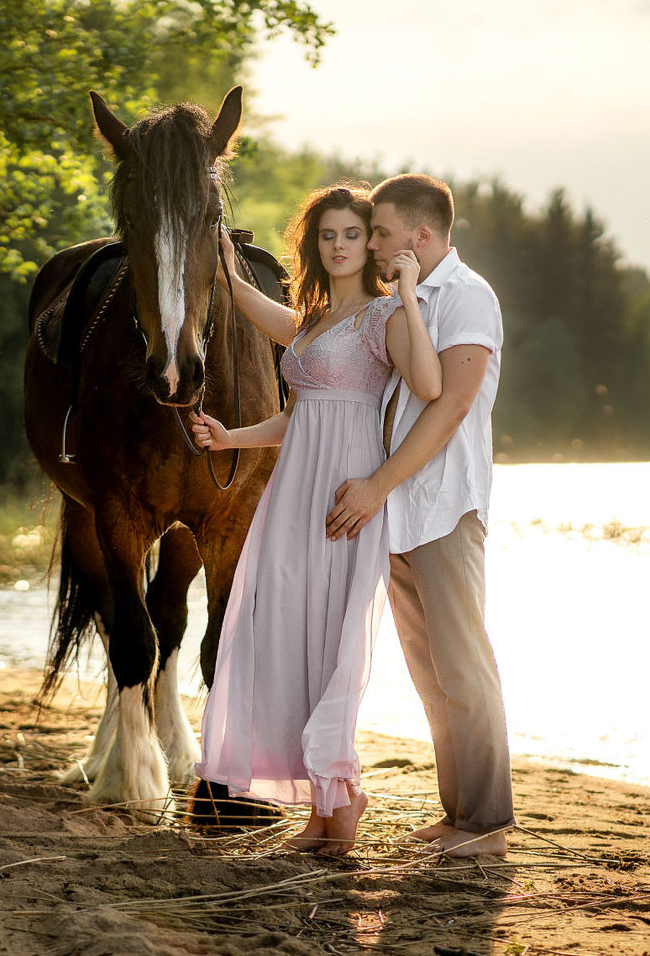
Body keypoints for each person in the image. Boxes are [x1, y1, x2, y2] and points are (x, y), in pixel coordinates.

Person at [191, 184, 441, 855]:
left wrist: (410, 292)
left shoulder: (383, 318)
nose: (337, 245)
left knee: (334, 646)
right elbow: (296, 413)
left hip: (345, 500)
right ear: (315, 244)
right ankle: (320, 809)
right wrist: (227, 436)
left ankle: (343, 796)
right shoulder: (311, 322)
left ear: (369, 244)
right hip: (292, 498)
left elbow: (428, 384)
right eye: (326, 235)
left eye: (350, 235)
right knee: (281, 632)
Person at [323, 173, 512, 859]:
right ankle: (457, 811)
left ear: (421, 236)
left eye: (379, 231)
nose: (370, 243)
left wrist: (375, 485)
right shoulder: (404, 301)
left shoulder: (467, 297)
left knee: (464, 665)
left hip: (444, 507)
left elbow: (451, 403)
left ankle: (487, 823)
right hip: (400, 513)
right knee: (430, 671)